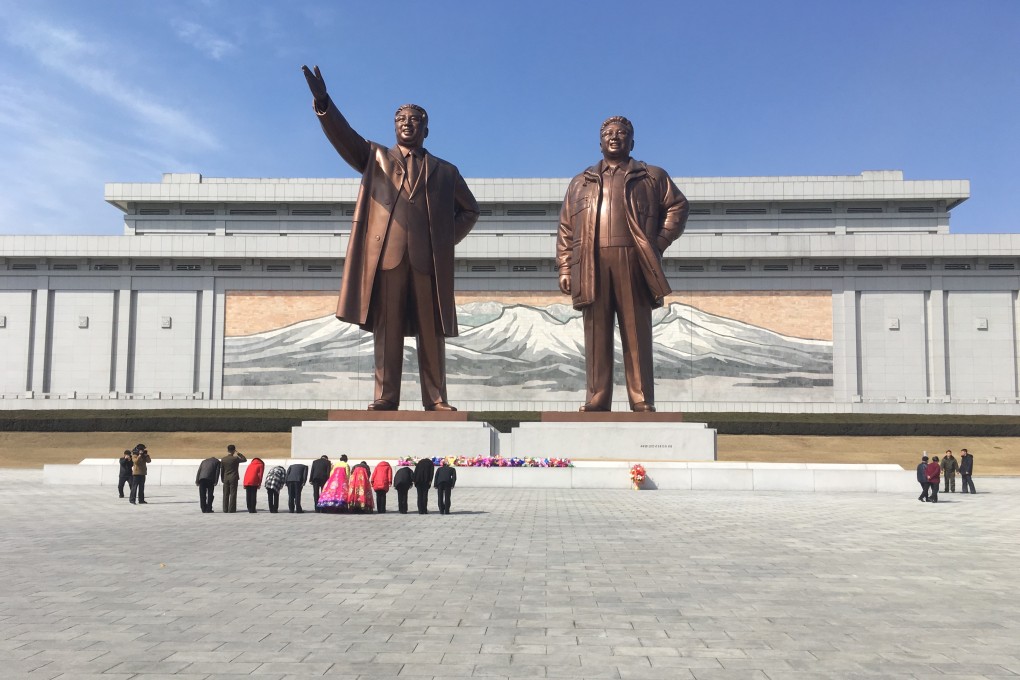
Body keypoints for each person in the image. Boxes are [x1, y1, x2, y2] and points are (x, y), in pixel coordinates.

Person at [302, 65, 480, 411]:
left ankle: (436, 398)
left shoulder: (446, 171)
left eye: (414, 120)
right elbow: (344, 137)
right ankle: (386, 396)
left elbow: (470, 210)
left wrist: (444, 241)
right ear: (394, 126)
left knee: (431, 330)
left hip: (427, 261)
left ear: (426, 129)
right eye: (401, 119)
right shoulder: (376, 158)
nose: (407, 124)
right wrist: (324, 103)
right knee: (388, 329)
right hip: (387, 258)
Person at [557, 116, 689, 412]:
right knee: (596, 332)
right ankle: (597, 397)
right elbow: (566, 227)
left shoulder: (651, 176)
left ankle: (641, 398)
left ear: (632, 141)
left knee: (636, 331)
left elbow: (678, 206)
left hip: (634, 260)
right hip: (591, 262)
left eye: (621, 133)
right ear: (600, 142)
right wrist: (565, 267)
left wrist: (658, 242)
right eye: (608, 133)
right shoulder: (580, 182)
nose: (614, 137)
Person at [220, 445, 247, 513]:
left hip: (226, 478)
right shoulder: (235, 459)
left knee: (225, 494)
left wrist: (222, 478)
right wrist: (239, 453)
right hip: (234, 477)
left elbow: (222, 470)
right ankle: (232, 509)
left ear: (227, 450)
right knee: (233, 494)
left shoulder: (223, 459)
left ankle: (225, 509)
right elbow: (244, 459)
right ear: (234, 450)